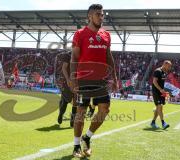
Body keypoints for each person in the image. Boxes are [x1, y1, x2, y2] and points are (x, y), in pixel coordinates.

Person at [70, 4, 118, 158]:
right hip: (83, 79)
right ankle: (76, 146)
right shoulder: (80, 34)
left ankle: (87, 137)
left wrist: (115, 77)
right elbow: (74, 57)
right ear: (90, 16)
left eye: (102, 14)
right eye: (98, 14)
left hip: (101, 79)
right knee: (81, 112)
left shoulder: (106, 35)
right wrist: (73, 78)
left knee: (104, 110)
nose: (101, 17)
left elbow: (109, 56)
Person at [150, 60, 172, 129]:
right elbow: (154, 82)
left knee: (159, 107)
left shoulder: (164, 72)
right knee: (160, 107)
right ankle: (163, 123)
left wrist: (164, 91)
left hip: (161, 92)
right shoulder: (158, 71)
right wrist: (160, 89)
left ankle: (153, 122)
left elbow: (161, 83)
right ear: (165, 64)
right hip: (156, 92)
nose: (169, 68)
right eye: (169, 66)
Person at [57, 52, 77, 127]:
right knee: (65, 101)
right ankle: (61, 114)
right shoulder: (68, 55)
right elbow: (64, 68)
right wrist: (68, 79)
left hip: (78, 82)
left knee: (76, 103)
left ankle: (73, 121)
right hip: (68, 82)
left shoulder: (83, 55)